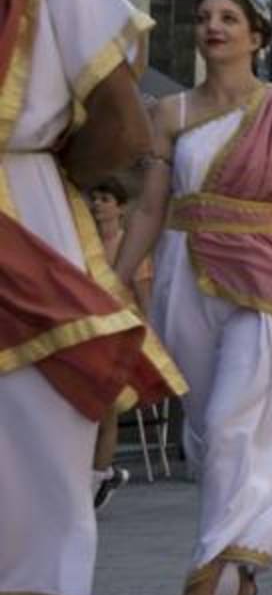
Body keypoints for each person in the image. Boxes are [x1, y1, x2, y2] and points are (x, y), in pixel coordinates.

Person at [113, 0, 272, 595]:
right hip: (185, 275)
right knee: (207, 435)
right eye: (202, 17)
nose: (212, 27)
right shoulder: (169, 112)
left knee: (229, 425)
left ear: (257, 36)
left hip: (268, 278)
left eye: (228, 18)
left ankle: (206, 574)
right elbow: (149, 206)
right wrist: (117, 276)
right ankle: (239, 574)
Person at [0, 0, 185, 595]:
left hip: (24, 229)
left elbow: (125, 127)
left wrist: (50, 187)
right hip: (29, 215)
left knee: (32, 474)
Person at [87, 177, 157, 508]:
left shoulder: (131, 247)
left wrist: (151, 343)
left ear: (120, 207)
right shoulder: (81, 241)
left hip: (120, 340)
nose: (97, 204)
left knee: (106, 412)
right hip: (86, 336)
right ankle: (101, 474)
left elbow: (145, 301)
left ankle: (97, 479)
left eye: (104, 198)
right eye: (95, 198)